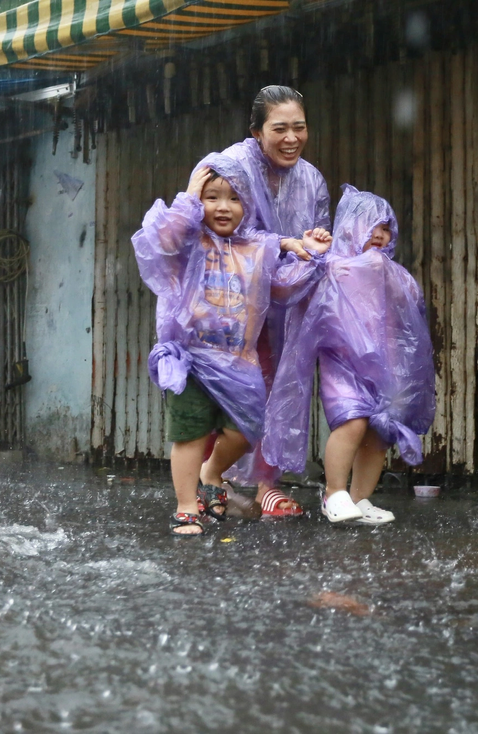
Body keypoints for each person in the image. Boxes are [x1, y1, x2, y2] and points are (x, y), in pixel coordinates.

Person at [131, 153, 329, 536]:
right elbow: (161, 240)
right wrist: (188, 198)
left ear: (249, 204)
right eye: (212, 197)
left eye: (235, 198)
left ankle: (212, 472)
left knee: (247, 430)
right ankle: (187, 506)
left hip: (239, 361)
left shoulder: (259, 247)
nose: (223, 207)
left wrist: (311, 256)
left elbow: (284, 285)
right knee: (189, 434)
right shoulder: (189, 240)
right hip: (189, 357)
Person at [263, 186, 436, 524]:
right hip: (341, 362)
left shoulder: (395, 274)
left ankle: (361, 498)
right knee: (352, 421)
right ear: (350, 226)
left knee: (380, 433)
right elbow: (285, 286)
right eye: (373, 225)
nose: (381, 235)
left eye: (387, 228)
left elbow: (410, 323)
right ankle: (335, 493)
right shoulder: (331, 265)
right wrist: (312, 254)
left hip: (386, 367)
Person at [220, 85, 331, 518]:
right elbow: (216, 230)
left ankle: (262, 483)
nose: (291, 138)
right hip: (230, 302)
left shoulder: (312, 179)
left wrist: (317, 243)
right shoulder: (232, 167)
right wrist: (282, 243)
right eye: (279, 129)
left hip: (286, 303)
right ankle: (219, 480)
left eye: (299, 128)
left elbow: (319, 236)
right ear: (256, 132)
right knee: (234, 390)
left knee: (280, 388)